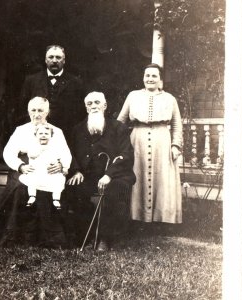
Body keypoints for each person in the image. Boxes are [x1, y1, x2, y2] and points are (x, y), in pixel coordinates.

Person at [0, 97, 72, 248]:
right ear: (28, 111)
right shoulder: (21, 130)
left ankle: (48, 237)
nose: (37, 114)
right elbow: (9, 153)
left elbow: (65, 153)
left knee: (50, 188)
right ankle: (14, 235)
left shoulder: (56, 132)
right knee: (20, 187)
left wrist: (61, 165)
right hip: (25, 167)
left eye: (40, 110)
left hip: (48, 169)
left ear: (47, 112)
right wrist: (20, 166)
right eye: (33, 110)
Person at [67, 92, 136, 251]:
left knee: (116, 190)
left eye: (97, 102)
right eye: (89, 104)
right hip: (88, 175)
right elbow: (70, 153)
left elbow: (126, 154)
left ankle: (105, 237)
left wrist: (108, 175)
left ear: (104, 106)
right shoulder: (77, 129)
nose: (93, 106)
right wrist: (76, 171)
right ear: (86, 108)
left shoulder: (119, 128)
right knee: (74, 188)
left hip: (115, 175)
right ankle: (86, 234)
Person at [117, 63, 183, 224]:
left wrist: (175, 145)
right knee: (136, 176)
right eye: (147, 75)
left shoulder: (170, 99)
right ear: (143, 78)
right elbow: (120, 122)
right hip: (137, 140)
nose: (150, 79)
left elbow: (176, 124)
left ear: (160, 79)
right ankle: (136, 218)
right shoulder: (133, 96)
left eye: (154, 76)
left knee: (163, 179)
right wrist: (119, 145)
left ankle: (162, 220)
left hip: (162, 141)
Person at [20, 44, 86, 141]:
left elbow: (80, 112)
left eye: (58, 57)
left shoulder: (76, 83)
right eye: (51, 57)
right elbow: (23, 108)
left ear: (64, 61)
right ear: (46, 60)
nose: (54, 60)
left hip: (65, 134)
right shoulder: (32, 81)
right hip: (37, 133)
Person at [19, 123, 71, 209]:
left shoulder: (55, 147)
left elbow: (65, 155)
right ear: (35, 135)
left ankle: (56, 199)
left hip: (50, 172)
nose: (43, 136)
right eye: (40, 134)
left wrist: (65, 167)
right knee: (31, 180)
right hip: (37, 171)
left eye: (46, 134)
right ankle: (32, 196)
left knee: (59, 180)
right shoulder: (33, 146)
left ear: (51, 136)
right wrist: (40, 148)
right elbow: (31, 154)